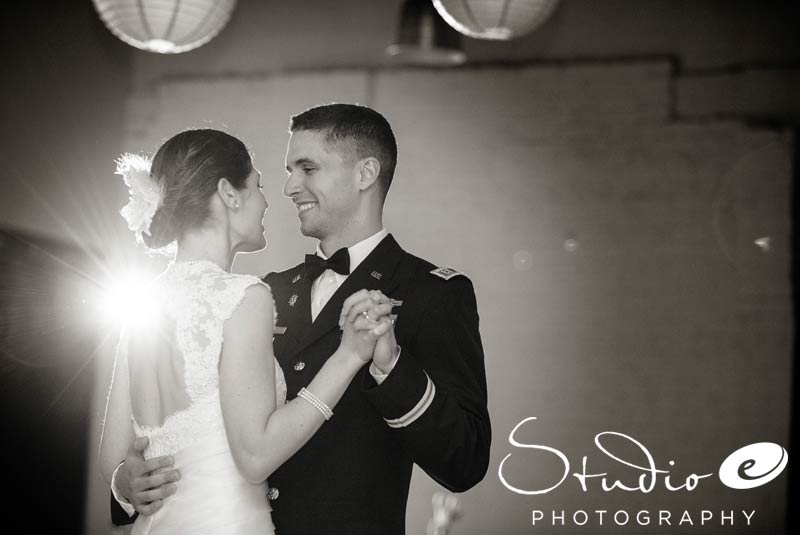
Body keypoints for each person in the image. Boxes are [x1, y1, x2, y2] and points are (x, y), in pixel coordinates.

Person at [112, 105, 491, 534]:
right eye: (289, 170)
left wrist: (391, 366)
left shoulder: (431, 293)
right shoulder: (259, 291)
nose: (290, 186)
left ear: (365, 174)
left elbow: (466, 462)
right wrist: (124, 485)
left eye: (307, 168)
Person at [99, 128, 396, 534]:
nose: (268, 200)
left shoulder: (141, 301)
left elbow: (112, 458)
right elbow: (255, 457)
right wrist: (348, 357)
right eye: (257, 185)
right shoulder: (243, 296)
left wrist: (122, 481)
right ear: (228, 193)